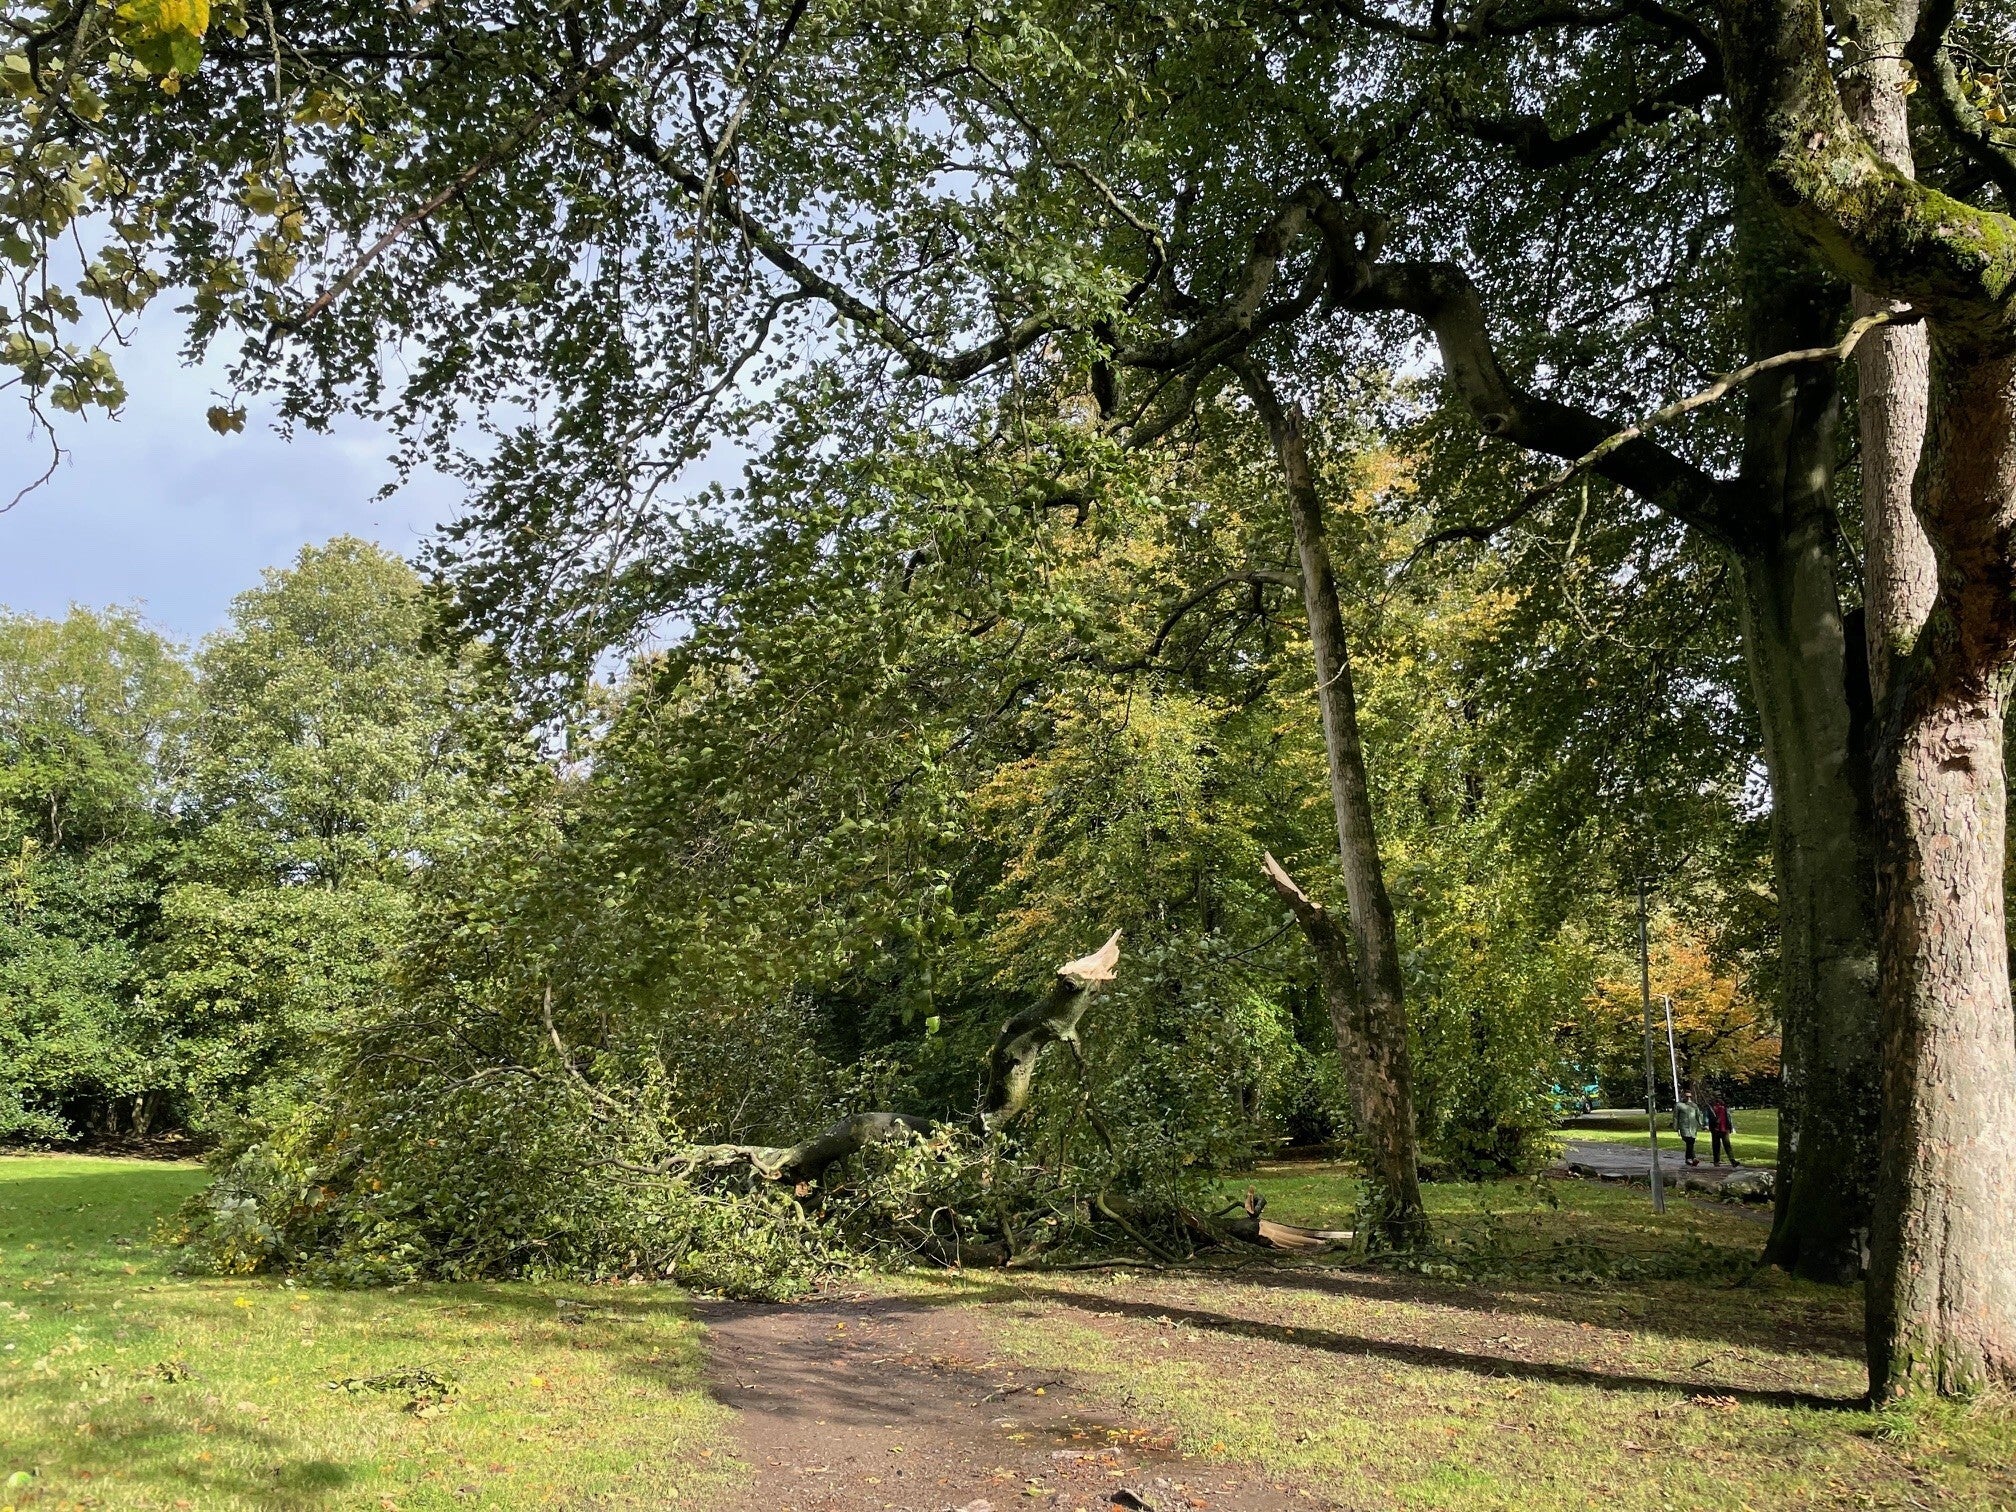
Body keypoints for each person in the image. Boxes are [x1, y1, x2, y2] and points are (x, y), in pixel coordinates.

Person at [1675, 1088, 1704, 1167]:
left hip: (1693, 1128)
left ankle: (1689, 1159)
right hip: (1684, 1127)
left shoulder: (1694, 1106)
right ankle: (1692, 1158)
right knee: (1689, 1141)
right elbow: (1676, 1117)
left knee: (1691, 1142)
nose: (1688, 1098)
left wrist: (1702, 1125)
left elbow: (1698, 1116)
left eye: (1689, 1097)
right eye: (1686, 1097)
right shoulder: (1679, 1105)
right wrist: (1676, 1128)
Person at [1707, 1094, 1738, 1167]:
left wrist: (1731, 1127)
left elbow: (1729, 1118)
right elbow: (1708, 1117)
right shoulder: (1712, 1108)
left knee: (1727, 1145)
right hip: (1716, 1129)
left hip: (1725, 1129)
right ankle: (1716, 1161)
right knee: (1716, 1146)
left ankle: (1732, 1160)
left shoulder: (1725, 1108)